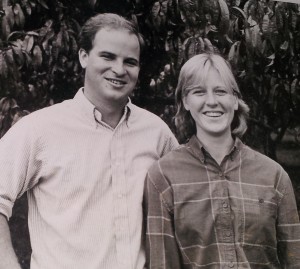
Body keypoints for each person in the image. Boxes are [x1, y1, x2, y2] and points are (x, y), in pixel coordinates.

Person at [0, 13, 178, 269]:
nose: (119, 69)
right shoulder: (39, 129)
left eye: (130, 62)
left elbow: (189, 198)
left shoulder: (156, 132)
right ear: (84, 56)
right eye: (107, 56)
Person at [144, 53, 300, 268]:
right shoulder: (162, 176)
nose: (212, 101)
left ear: (235, 100)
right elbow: (162, 263)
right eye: (199, 92)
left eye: (221, 91)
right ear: (185, 102)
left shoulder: (273, 175)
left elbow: (294, 258)